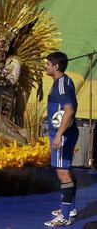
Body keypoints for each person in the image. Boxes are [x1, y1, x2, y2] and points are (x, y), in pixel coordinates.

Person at [43, 51, 79, 227]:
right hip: (62, 133)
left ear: (56, 67)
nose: (45, 66)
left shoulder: (62, 84)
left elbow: (69, 110)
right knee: (66, 171)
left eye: (48, 64)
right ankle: (70, 209)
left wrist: (58, 136)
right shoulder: (61, 82)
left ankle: (64, 216)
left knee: (62, 173)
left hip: (62, 134)